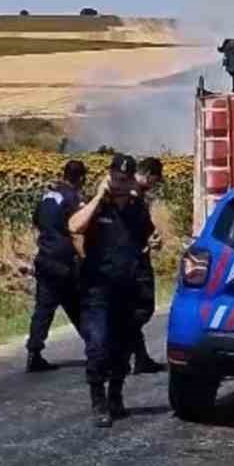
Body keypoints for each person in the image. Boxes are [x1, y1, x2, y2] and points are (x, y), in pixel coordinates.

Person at [69, 152, 156, 427]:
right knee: (97, 345)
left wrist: (154, 242)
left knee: (122, 347)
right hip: (97, 288)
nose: (119, 184)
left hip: (127, 288)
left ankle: (115, 396)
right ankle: (98, 400)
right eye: (116, 178)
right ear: (109, 176)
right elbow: (74, 226)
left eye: (125, 179)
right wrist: (98, 198)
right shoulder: (96, 206)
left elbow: (148, 236)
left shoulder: (136, 207)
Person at [24, 158, 87, 373]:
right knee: (80, 306)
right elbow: (77, 230)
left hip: (45, 258)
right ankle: (96, 347)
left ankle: (34, 351)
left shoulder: (47, 196)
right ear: (80, 178)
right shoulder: (73, 198)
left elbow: (36, 222)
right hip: (64, 260)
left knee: (43, 309)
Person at [131, 155, 166, 374]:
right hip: (134, 261)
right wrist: (146, 242)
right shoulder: (132, 196)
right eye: (154, 180)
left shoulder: (132, 194)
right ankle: (126, 353)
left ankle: (140, 357)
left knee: (135, 310)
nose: (154, 186)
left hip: (134, 258)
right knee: (141, 309)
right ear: (149, 175)